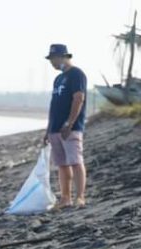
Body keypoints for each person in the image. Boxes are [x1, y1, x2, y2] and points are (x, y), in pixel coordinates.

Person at [42, 43, 88, 208]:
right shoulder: (58, 78)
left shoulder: (76, 74)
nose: (52, 63)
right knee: (62, 164)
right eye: (50, 60)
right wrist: (48, 130)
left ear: (63, 57)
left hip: (71, 128)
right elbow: (54, 104)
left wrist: (70, 123)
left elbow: (78, 98)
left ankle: (80, 196)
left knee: (75, 160)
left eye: (53, 59)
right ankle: (65, 198)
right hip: (55, 128)